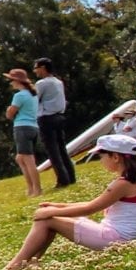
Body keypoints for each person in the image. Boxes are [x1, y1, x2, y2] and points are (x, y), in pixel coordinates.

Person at [2, 134, 136, 270]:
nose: (101, 160)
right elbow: (95, 203)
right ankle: (30, 262)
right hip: (119, 236)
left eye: (102, 156)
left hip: (116, 240)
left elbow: (90, 208)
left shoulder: (123, 184)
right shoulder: (133, 180)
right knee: (49, 218)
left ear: (115, 157)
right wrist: (56, 206)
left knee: (46, 221)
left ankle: (14, 266)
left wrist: (52, 212)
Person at [34, 58, 77, 188]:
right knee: (62, 149)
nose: (35, 71)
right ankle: (70, 176)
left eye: (36, 68)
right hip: (59, 116)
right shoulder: (58, 82)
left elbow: (34, 99)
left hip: (46, 117)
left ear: (42, 68)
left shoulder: (41, 83)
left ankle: (62, 179)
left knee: (52, 151)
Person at [5, 68, 45, 197]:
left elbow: (10, 114)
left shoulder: (19, 95)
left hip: (22, 127)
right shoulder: (32, 94)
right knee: (20, 158)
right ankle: (30, 187)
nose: (10, 83)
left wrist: (9, 110)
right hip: (33, 127)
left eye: (11, 80)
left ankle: (37, 189)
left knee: (28, 160)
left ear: (17, 81)